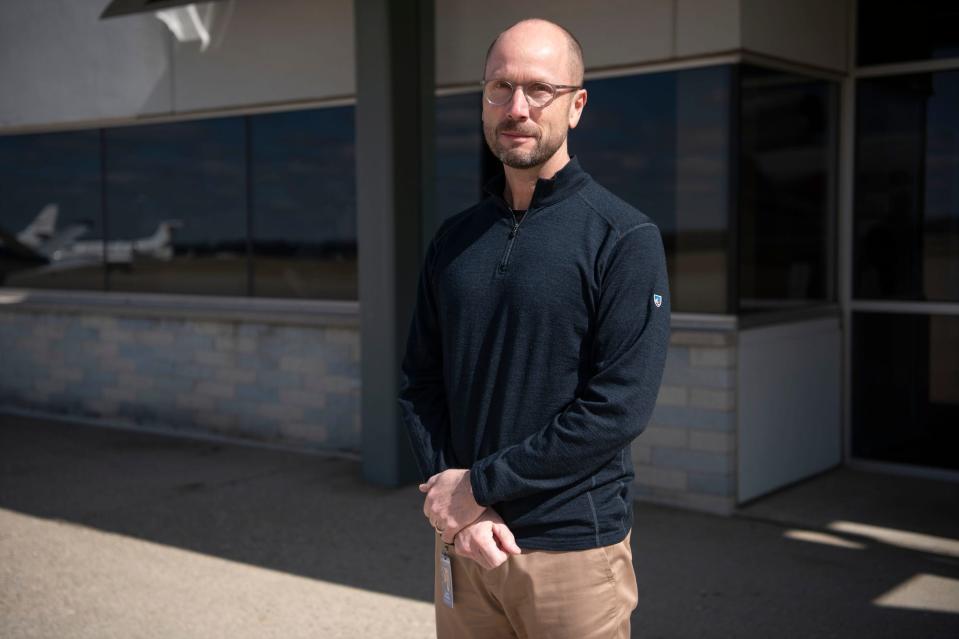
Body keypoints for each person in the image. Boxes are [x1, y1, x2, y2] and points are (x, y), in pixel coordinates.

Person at [398, 17, 670, 639]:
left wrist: (480, 486)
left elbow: (618, 408)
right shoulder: (454, 239)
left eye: (539, 90)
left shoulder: (623, 238)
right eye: (500, 88)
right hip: (467, 546)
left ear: (576, 106)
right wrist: (458, 506)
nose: (516, 107)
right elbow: (421, 381)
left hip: (571, 551)